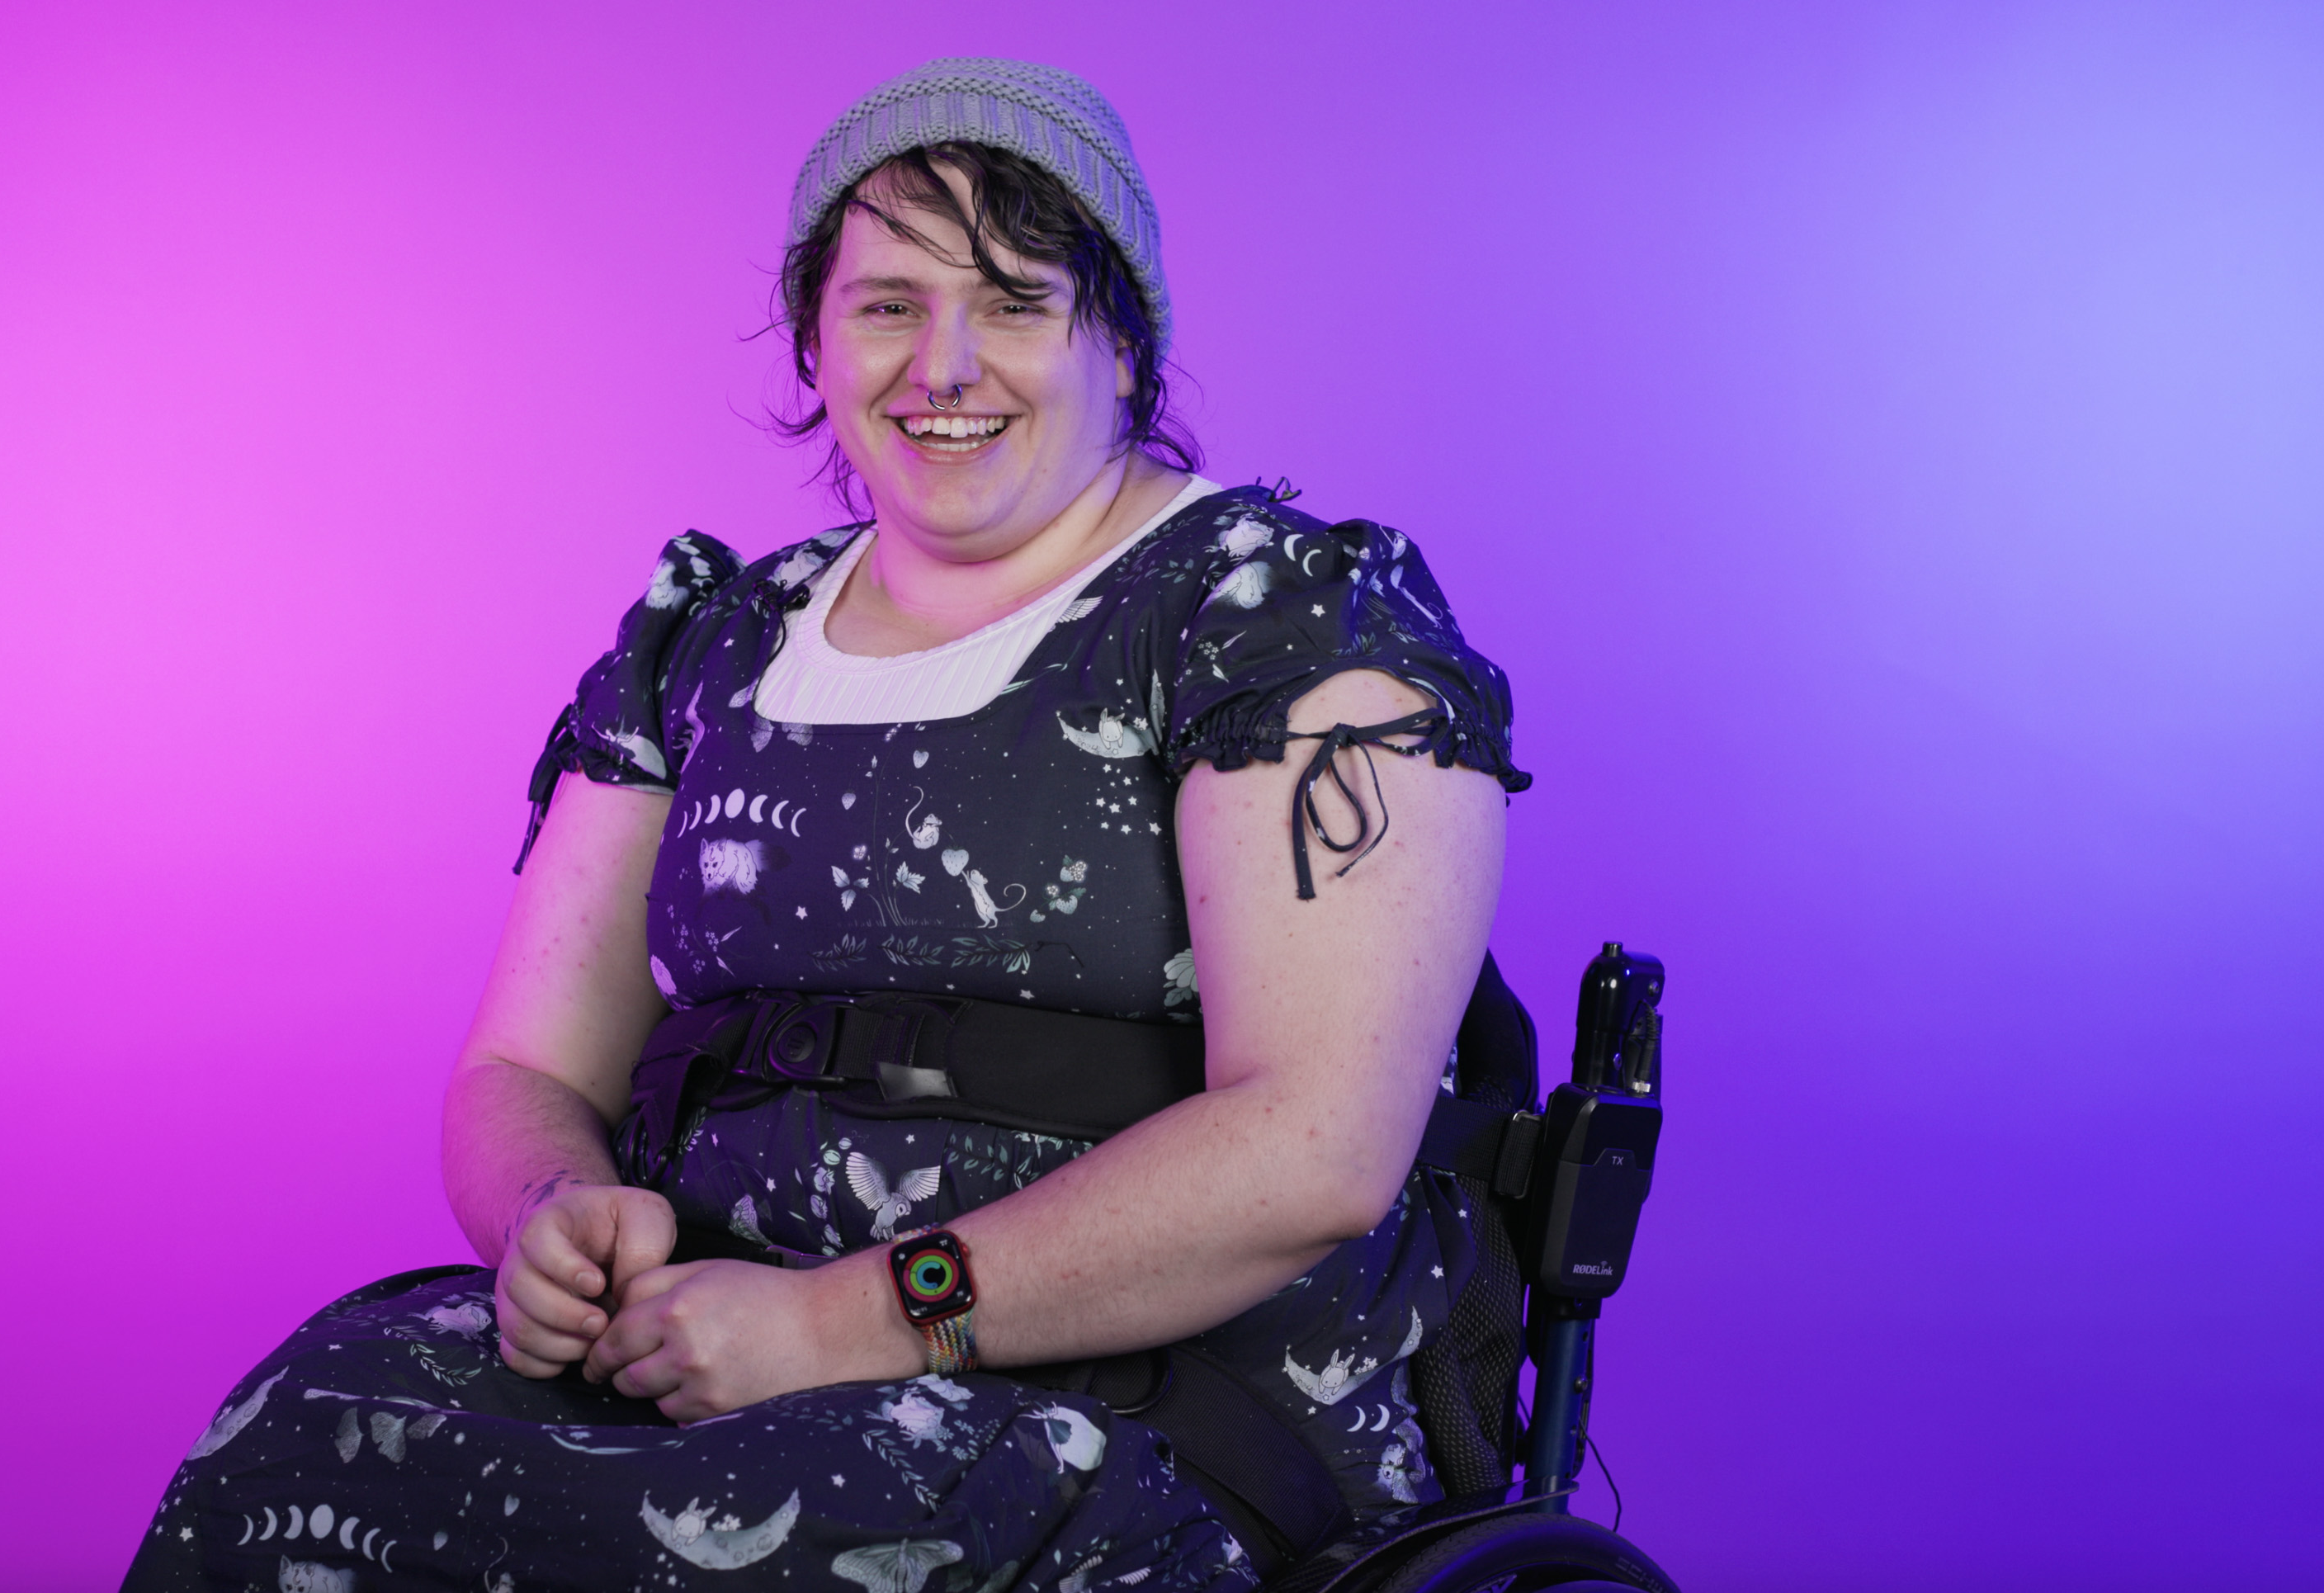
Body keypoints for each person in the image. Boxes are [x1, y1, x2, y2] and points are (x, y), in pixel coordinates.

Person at [123, 57, 1528, 1592]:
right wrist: (557, 1216)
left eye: (1014, 300)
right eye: (885, 305)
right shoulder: (716, 636)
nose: (943, 362)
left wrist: (842, 1321)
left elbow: (1311, 1151)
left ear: (1123, 341)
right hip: (714, 1347)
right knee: (297, 1437)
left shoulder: (1274, 616)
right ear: (814, 340)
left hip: (1139, 1401)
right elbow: (523, 1065)